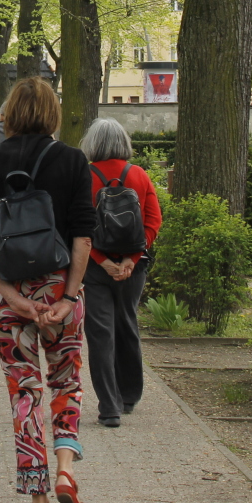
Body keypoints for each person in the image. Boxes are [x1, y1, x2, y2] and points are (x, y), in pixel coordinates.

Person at [0, 77, 95, 503]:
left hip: (9, 299)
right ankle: (66, 472)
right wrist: (70, 295)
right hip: (62, 292)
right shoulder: (74, 161)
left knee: (24, 390)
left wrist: (9, 293)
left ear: (10, 113)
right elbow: (83, 234)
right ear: (54, 113)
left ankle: (37, 501)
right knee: (66, 383)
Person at [78, 118, 163, 427]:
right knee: (127, 324)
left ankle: (109, 406)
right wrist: (132, 259)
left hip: (95, 267)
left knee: (100, 334)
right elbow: (153, 220)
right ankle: (129, 395)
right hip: (134, 267)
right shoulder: (138, 175)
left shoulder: (84, 177)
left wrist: (102, 261)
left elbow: (79, 226)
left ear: (92, 144)